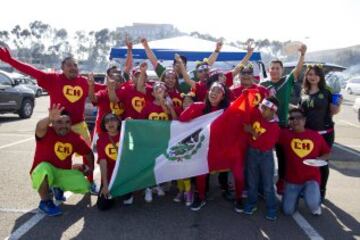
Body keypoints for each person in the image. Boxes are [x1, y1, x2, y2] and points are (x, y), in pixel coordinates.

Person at [0, 47, 97, 192]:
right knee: (56, 156)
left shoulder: (83, 82)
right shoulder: (53, 79)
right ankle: (55, 184)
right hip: (57, 126)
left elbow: (104, 89)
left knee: (87, 153)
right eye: (69, 65)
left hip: (79, 125)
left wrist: (118, 86)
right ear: (62, 68)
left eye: (75, 65)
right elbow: (30, 70)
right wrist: (10, 60)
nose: (73, 67)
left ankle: (90, 181)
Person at [31, 104, 94, 216]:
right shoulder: (46, 132)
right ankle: (45, 202)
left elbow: (88, 153)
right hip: (44, 172)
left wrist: (90, 170)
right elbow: (39, 127)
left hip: (61, 173)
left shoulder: (74, 137)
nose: (63, 126)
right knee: (43, 168)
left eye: (67, 122)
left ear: (71, 124)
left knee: (85, 186)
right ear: (53, 123)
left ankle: (57, 187)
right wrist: (49, 118)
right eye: (59, 122)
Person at [260, 44, 307, 194]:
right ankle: (262, 184)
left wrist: (302, 55)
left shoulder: (287, 81)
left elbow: (298, 70)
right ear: (268, 70)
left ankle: (281, 182)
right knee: (264, 156)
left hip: (283, 126)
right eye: (272, 68)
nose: (274, 70)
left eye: (277, 68)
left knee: (283, 156)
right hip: (266, 126)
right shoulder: (262, 84)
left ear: (282, 70)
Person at [179, 82, 231, 211]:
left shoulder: (227, 110)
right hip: (202, 147)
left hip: (219, 148)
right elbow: (182, 119)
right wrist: (193, 107)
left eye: (218, 91)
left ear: (223, 97)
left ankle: (235, 194)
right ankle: (201, 196)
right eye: (212, 90)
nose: (214, 93)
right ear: (208, 92)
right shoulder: (199, 106)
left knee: (230, 170)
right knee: (201, 173)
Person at [300, 65, 341, 200]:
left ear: (320, 77)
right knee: (308, 162)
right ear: (306, 76)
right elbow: (301, 113)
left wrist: (338, 103)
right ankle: (308, 188)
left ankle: (322, 190)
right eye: (310, 74)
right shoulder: (304, 93)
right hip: (309, 134)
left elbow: (334, 111)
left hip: (325, 133)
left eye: (315, 74)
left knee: (322, 163)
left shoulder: (327, 92)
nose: (312, 77)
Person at [279, 108, 330, 215]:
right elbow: (268, 135)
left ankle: (315, 204)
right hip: (292, 180)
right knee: (287, 211)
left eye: (298, 118)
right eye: (292, 118)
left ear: (305, 120)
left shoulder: (315, 136)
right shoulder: (284, 134)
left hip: (311, 179)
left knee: (312, 204)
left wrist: (320, 159)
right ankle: (296, 197)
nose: (295, 120)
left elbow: (327, 153)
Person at [243, 96, 280, 220]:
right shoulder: (257, 114)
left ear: (273, 111)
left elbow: (267, 144)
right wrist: (245, 96)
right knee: (252, 181)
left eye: (265, 108)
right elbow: (247, 109)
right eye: (261, 107)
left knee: (268, 184)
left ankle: (271, 207)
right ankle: (252, 203)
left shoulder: (275, 127)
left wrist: (252, 132)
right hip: (252, 152)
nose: (261, 110)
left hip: (266, 155)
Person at [141, 38, 223, 94]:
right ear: (173, 65)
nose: (180, 65)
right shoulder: (166, 73)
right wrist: (146, 46)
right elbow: (154, 61)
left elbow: (207, 65)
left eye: (183, 64)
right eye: (178, 63)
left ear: (185, 67)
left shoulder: (192, 75)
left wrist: (217, 50)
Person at [88, 67, 125, 135]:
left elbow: (114, 101)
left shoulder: (125, 93)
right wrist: (91, 86)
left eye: (117, 80)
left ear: (122, 83)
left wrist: (111, 89)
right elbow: (93, 99)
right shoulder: (103, 92)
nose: (114, 82)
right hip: (102, 130)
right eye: (112, 79)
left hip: (120, 131)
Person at [96, 113, 121, 210]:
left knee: (127, 196)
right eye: (107, 121)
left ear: (118, 123)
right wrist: (105, 185)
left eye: (113, 119)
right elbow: (102, 162)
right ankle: (113, 192)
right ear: (104, 125)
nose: (110, 122)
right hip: (111, 176)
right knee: (103, 206)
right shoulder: (101, 139)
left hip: (124, 175)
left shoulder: (126, 135)